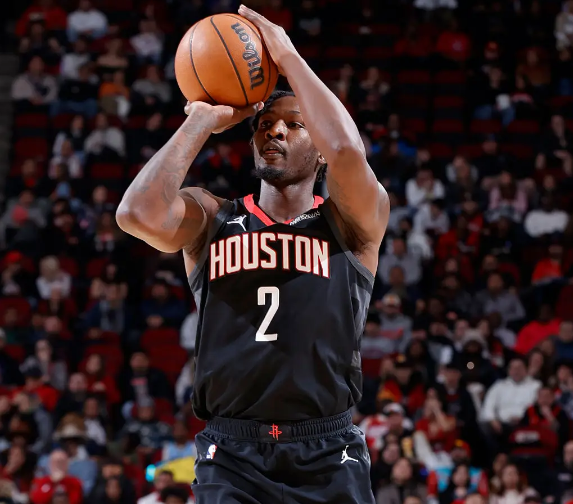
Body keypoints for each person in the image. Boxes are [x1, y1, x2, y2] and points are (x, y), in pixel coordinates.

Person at [116, 6, 389, 503]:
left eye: (294, 124)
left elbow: (349, 152)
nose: (275, 131)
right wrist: (202, 121)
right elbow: (136, 214)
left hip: (328, 451)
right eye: (265, 123)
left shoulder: (350, 223)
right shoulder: (211, 217)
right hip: (232, 454)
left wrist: (288, 57)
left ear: (320, 149)